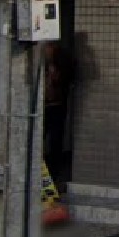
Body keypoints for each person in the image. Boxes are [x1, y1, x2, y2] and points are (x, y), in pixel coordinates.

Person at [43, 42, 75, 178]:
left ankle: (54, 173)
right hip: (45, 107)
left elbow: (60, 82)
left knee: (55, 141)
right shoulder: (42, 66)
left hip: (56, 105)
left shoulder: (62, 66)